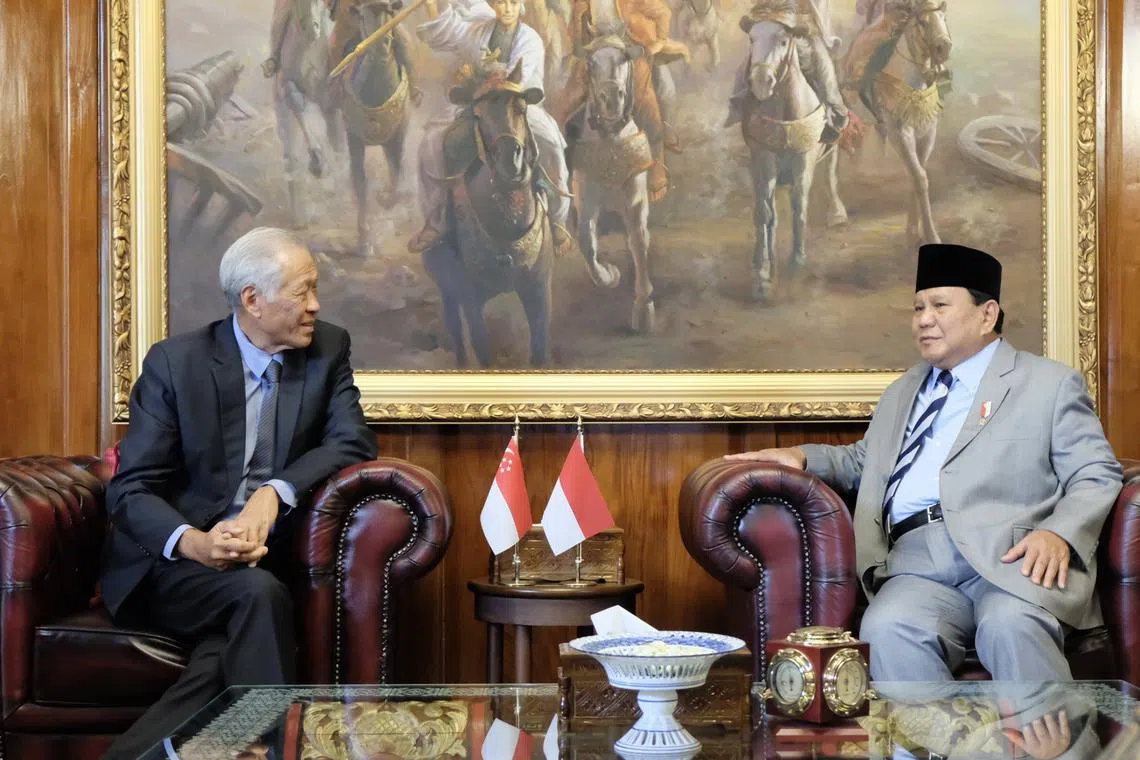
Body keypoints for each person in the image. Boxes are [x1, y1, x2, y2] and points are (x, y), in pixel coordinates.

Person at [727, 243, 1122, 682]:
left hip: (1012, 560)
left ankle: (1055, 750)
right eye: (917, 308)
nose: (923, 320)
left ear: (987, 314)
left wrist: (1059, 533)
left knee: (1011, 625)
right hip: (917, 563)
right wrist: (800, 456)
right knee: (888, 626)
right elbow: (866, 461)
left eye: (938, 305)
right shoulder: (903, 391)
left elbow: (1095, 472)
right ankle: (928, 748)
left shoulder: (1048, 383)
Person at [100, 227, 376, 759]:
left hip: (264, 560)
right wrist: (196, 543)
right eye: (302, 292)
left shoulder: (327, 349)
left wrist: (274, 492)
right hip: (171, 567)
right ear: (253, 299)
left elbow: (353, 439)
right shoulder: (176, 364)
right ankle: (279, 750)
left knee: (227, 644)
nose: (316, 306)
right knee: (258, 598)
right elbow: (132, 489)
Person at [410, 0, 576, 256]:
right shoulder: (479, 31)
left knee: (552, 143)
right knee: (432, 139)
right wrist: (436, 4)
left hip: (519, 107)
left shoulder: (530, 40)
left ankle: (557, 220)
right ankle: (436, 219)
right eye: (500, 2)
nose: (506, 8)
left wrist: (489, 81)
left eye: (512, 2)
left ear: (520, 5)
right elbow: (449, 33)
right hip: (481, 104)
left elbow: (517, 80)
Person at [555, 0, 689, 202]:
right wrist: (578, 47)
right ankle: (559, 172)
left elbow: (663, 14)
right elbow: (575, 30)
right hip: (595, 54)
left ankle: (657, 170)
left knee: (648, 106)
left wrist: (654, 45)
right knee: (563, 105)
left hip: (629, 53)